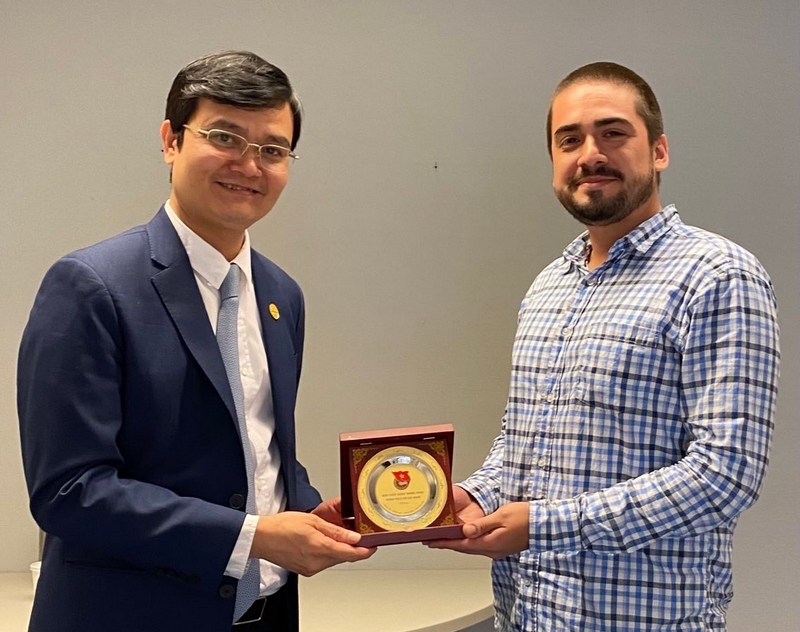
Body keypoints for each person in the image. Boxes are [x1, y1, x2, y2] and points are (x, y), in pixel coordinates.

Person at [17, 50, 374, 632]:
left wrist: (314, 510)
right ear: (171, 140)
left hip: (265, 614)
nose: (249, 165)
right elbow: (69, 490)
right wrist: (254, 536)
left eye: (273, 150)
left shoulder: (282, 295)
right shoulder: (90, 285)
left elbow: (256, 447)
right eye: (225, 137)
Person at [429, 62, 780, 631]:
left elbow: (725, 474)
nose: (590, 154)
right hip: (526, 616)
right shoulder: (549, 285)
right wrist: (476, 496)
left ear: (659, 151)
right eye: (569, 140)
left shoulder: (718, 275)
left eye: (613, 133)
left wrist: (544, 527)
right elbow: (524, 440)